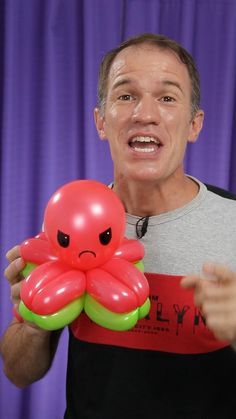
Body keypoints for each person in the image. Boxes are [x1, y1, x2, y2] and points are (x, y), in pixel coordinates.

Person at [1, 32, 236, 418]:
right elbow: (18, 373)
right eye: (126, 95)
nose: (145, 113)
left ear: (194, 125)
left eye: (167, 97)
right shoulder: (68, 225)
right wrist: (32, 322)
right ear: (101, 121)